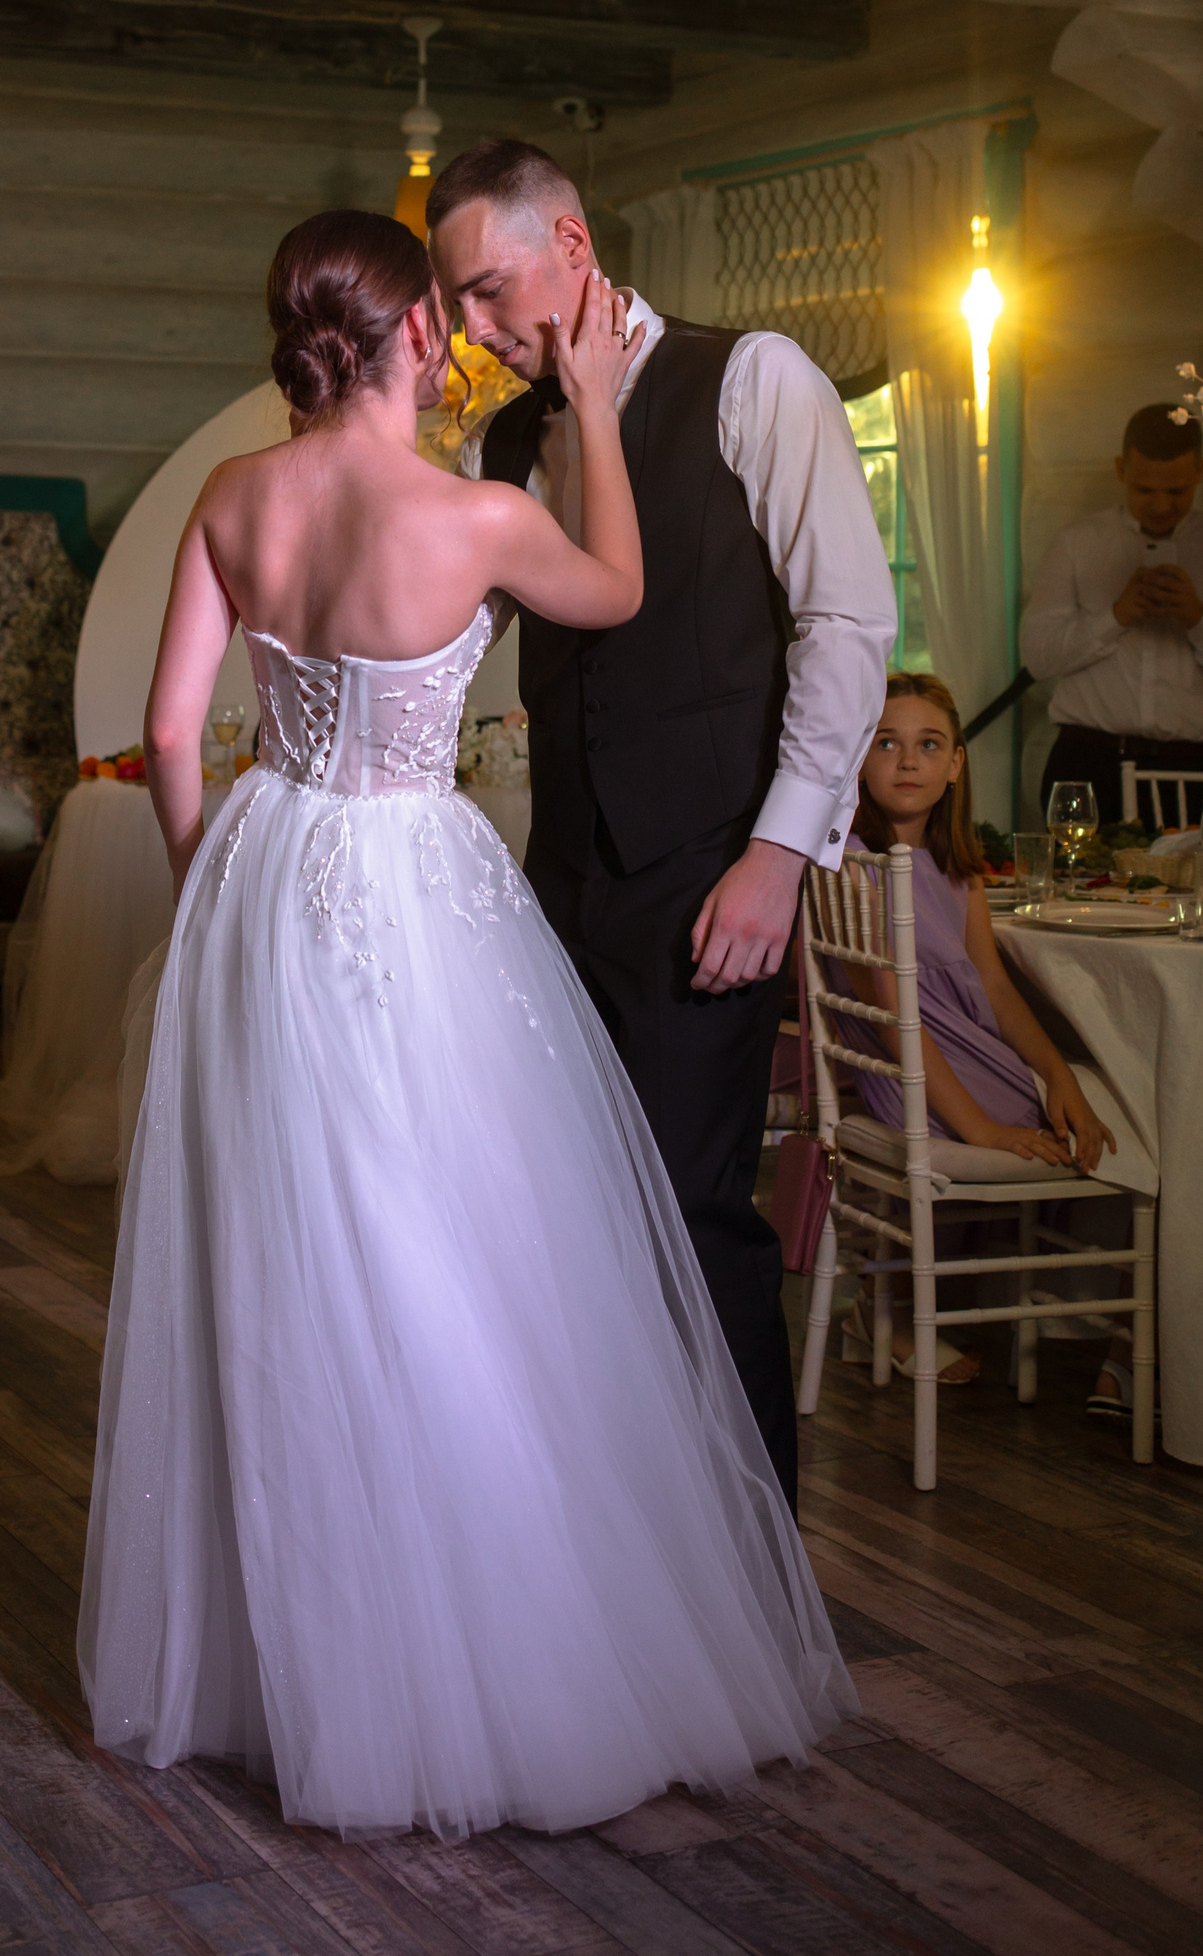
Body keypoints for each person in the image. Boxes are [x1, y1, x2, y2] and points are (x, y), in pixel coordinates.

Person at [80, 211, 854, 1841]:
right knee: (452, 1244)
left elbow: (168, 731)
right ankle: (463, 1649)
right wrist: (593, 409)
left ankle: (300, 1661)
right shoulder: (478, 516)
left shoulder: (230, 497)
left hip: (270, 867)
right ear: (420, 337)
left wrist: (213, 877)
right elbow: (619, 588)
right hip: (413, 879)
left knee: (288, 1241)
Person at [426, 139, 895, 1508]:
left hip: (710, 873)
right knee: (562, 1217)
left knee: (692, 1211)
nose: (476, 329)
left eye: (489, 290)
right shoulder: (502, 441)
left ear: (571, 247)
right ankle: (608, 1536)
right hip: (555, 886)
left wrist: (778, 855)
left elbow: (848, 625)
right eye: (457, 304)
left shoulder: (755, 380)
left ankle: (749, 1560)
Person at [847, 675, 1132, 1410]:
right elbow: (893, 1020)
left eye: (928, 745)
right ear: (858, 756)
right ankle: (888, 1305)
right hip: (913, 1069)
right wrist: (980, 1128)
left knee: (1106, 1102)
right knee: (1109, 1124)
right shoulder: (855, 868)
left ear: (955, 765)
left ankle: (1125, 1339)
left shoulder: (959, 870)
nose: (908, 761)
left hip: (971, 1053)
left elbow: (997, 989)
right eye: (886, 743)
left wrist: (1058, 1075)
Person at [1022, 404, 1203, 827]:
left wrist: (1200, 620)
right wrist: (1115, 617)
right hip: (1086, 761)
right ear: (1120, 470)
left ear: (1199, 472)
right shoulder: (1076, 544)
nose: (1161, 505)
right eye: (1145, 490)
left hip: (1189, 769)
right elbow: (1037, 657)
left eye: (1177, 491)